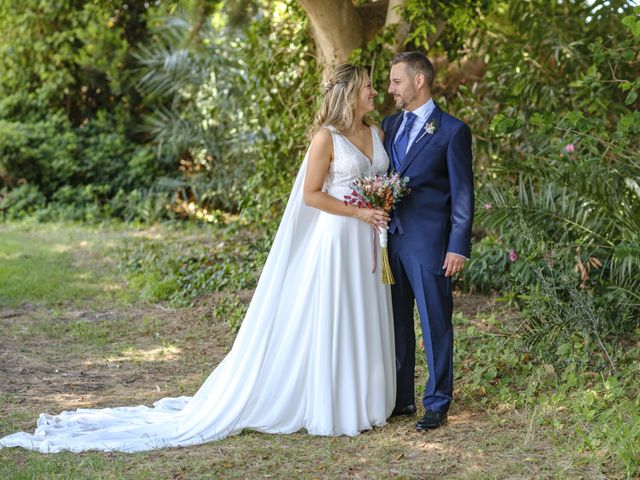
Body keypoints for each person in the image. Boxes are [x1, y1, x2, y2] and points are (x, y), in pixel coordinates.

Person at [0, 64, 396, 453]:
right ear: (348, 92)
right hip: (338, 238)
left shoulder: (376, 132)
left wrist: (381, 204)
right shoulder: (325, 139)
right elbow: (312, 195)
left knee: (364, 313)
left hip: (369, 239)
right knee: (339, 315)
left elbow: (380, 181)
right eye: (367, 86)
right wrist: (360, 211)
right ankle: (337, 406)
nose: (374, 92)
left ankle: (365, 400)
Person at [382, 51, 474, 430]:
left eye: (396, 81)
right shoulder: (387, 126)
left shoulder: (452, 131)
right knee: (396, 324)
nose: (390, 89)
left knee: (435, 323)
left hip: (431, 244)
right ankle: (402, 399)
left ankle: (436, 402)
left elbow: (462, 193)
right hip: (390, 241)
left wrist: (458, 245)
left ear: (419, 80)